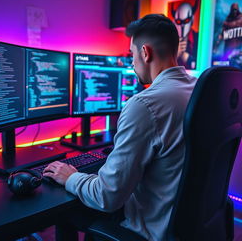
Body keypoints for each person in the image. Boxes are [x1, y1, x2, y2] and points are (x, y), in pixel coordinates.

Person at [43, 14, 197, 241]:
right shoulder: (198, 89)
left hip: (150, 229)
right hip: (189, 222)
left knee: (66, 210)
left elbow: (107, 197)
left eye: (132, 55)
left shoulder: (145, 104)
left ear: (145, 53)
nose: (132, 63)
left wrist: (71, 176)